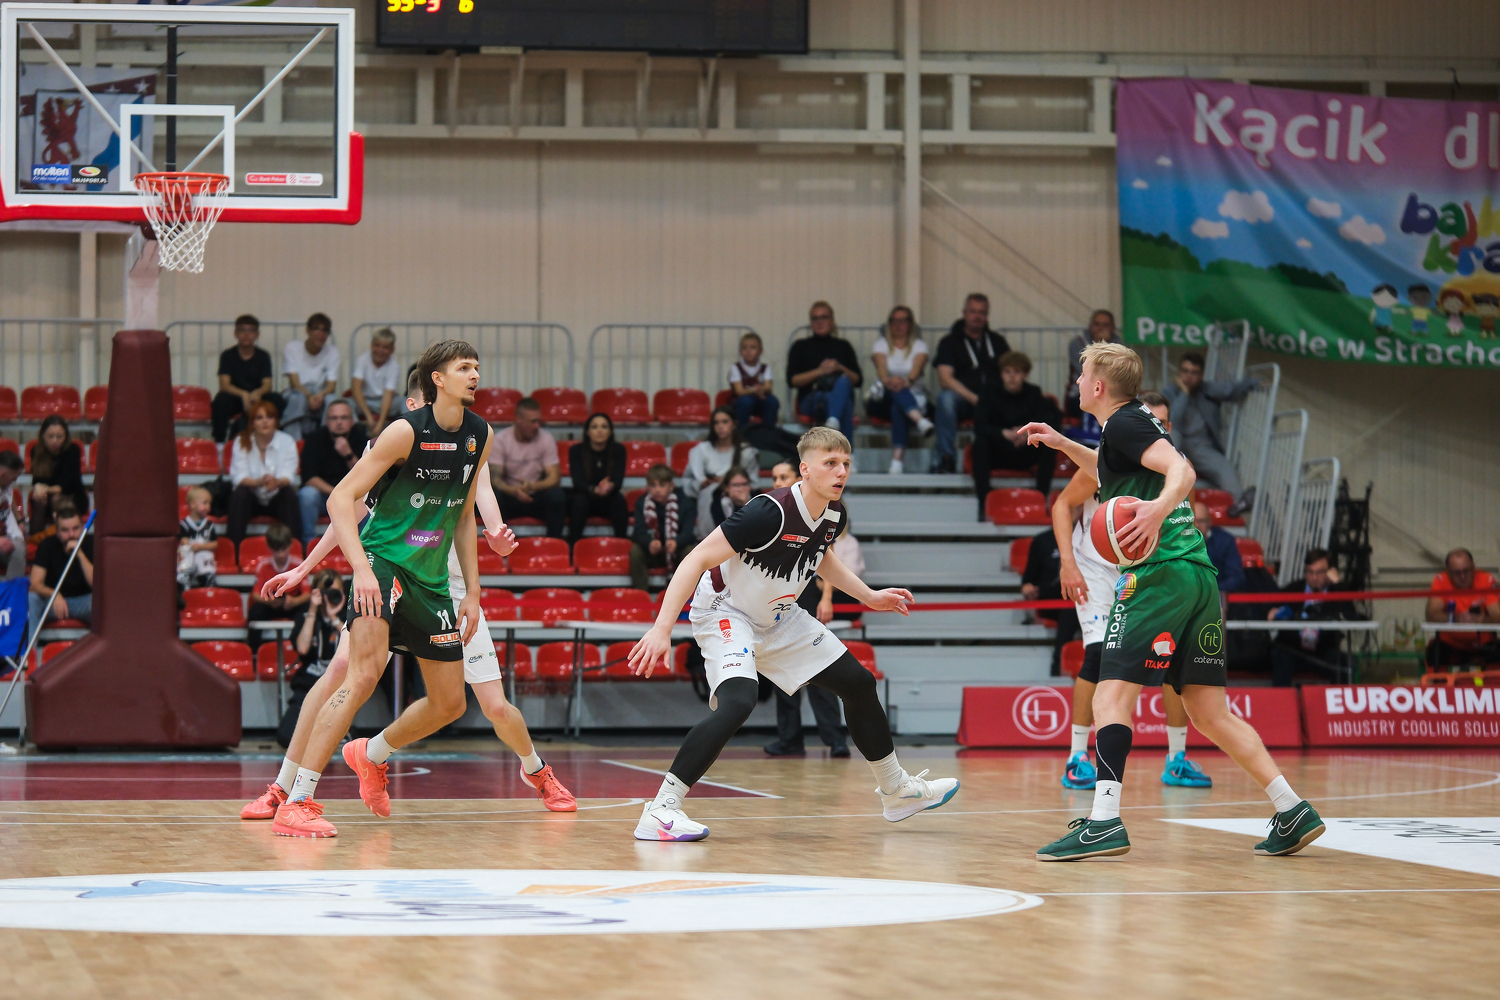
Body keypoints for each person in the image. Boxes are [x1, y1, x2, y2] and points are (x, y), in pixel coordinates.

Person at [1021, 342, 1324, 860]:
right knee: (1209, 712)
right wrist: (1063, 442)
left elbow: (1183, 471)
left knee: (1110, 699)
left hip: (1157, 576)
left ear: (1098, 386)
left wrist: (1157, 510)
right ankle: (1291, 808)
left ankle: (1103, 822)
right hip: (1196, 577)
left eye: (1082, 375)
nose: (1077, 382)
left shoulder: (1124, 423)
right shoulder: (1129, 425)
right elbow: (1111, 469)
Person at [245, 367, 574, 826]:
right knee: (343, 671)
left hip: (446, 587)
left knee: (484, 704)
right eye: (416, 408)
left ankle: (533, 771)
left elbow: (481, 511)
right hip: (392, 572)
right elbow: (350, 508)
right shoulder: (396, 441)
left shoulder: (472, 444)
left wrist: (498, 537)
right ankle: (286, 789)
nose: (421, 415)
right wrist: (305, 566)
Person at [625, 427, 958, 842]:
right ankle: (661, 809)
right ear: (805, 469)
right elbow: (696, 558)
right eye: (830, 463)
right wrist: (662, 628)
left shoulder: (834, 514)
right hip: (726, 611)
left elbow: (822, 558)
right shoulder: (768, 511)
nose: (841, 472)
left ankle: (897, 791)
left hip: (780, 617)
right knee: (739, 701)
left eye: (846, 464)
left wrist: (869, 596)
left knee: (857, 682)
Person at [268, 341, 496, 837]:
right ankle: (297, 800)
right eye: (464, 367)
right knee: (361, 675)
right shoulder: (403, 432)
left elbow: (463, 518)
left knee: (450, 704)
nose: (474, 374)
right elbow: (340, 499)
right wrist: (362, 569)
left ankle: (370, 753)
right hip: (383, 563)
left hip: (431, 581)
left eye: (477, 367)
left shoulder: (481, 435)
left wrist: (473, 592)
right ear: (437, 379)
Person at [1051, 394, 1213, 793]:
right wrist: (1068, 562)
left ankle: (1176, 758)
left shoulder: (1173, 470)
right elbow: (1063, 504)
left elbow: (1188, 522)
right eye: (1149, 419)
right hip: (1095, 568)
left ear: (1166, 429)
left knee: (1170, 657)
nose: (1154, 427)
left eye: (1162, 422)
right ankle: (1077, 757)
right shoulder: (1113, 459)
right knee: (1096, 656)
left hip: (1143, 571)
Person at [761, 460, 852, 758]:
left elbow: (828, 556)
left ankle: (835, 739)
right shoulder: (770, 511)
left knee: (818, 667)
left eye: (783, 476)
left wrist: (827, 597)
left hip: (807, 592)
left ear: (800, 475)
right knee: (781, 665)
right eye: (774, 477)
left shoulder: (816, 509)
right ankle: (790, 739)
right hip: (776, 594)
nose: (778, 482)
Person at [1160, 352, 1261, 517]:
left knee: (1226, 470)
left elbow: (1231, 390)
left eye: (1194, 373)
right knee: (1173, 434)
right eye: (1185, 371)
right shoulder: (1169, 392)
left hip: (1201, 447)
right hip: (1177, 446)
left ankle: (1239, 505)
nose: (1188, 376)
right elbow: (1173, 419)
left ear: (1201, 376)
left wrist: (1252, 383)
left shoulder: (1207, 390)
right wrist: (1185, 393)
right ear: (1178, 372)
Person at [971, 351, 1060, 520]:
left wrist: (1027, 432)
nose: (1012, 377)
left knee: (1048, 445)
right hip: (1000, 450)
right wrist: (1003, 433)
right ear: (1001, 374)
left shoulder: (1034, 393)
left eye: (1017, 372)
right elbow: (980, 426)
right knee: (979, 444)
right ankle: (984, 502)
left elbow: (1048, 422)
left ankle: (1041, 497)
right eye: (1007, 372)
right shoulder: (988, 393)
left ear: (1025, 374)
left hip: (1025, 450)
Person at [931, 292, 1010, 473]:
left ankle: (1006, 458)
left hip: (993, 400)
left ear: (987, 315)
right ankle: (946, 458)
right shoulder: (949, 342)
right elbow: (945, 379)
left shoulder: (998, 342)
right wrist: (974, 399)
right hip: (964, 400)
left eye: (982, 312)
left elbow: (1012, 372)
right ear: (964, 313)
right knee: (945, 399)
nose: (977, 316)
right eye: (973, 311)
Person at [1267, 548, 1360, 687]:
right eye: (1310, 572)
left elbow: (1351, 617)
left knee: (1347, 663)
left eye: (1320, 572)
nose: (1314, 577)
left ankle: (1336, 700)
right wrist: (1272, 612)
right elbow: (1272, 609)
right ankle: (1281, 701)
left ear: (1330, 572)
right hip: (1294, 649)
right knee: (1281, 657)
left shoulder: (1337, 592)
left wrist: (1339, 584)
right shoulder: (1294, 589)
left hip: (1324, 649)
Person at [278, 568, 348, 748]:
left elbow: (354, 645)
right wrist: (312, 609)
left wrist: (334, 618)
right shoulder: (306, 615)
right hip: (308, 686)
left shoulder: (346, 617)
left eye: (336, 592)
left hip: (337, 689)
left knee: (343, 739)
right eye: (327, 592)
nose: (330, 596)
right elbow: (302, 648)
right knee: (286, 737)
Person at [866, 305, 934, 475]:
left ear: (910, 324)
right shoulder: (881, 344)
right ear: (889, 324)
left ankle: (897, 463)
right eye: (894, 321)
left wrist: (906, 381)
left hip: (913, 396)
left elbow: (916, 370)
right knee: (897, 396)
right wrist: (890, 381)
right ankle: (920, 421)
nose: (898, 325)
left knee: (899, 408)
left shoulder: (919, 346)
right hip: (883, 397)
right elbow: (882, 370)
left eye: (903, 321)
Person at [226, 400, 302, 549]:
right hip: (252, 495)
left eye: (270, 417)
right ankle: (234, 549)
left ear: (276, 421)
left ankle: (295, 549)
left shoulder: (287, 442)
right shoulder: (241, 441)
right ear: (252, 423)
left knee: (289, 495)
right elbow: (238, 476)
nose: (265, 422)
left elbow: (289, 475)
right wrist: (259, 482)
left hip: (276, 495)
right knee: (239, 495)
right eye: (259, 418)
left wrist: (277, 482)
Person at [489, 397, 566, 539]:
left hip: (536, 495)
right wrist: (514, 490)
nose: (537, 426)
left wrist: (532, 486)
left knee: (557, 496)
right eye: (533, 422)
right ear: (518, 419)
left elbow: (554, 478)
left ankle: (554, 544)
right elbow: (494, 479)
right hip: (510, 495)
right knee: (493, 497)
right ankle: (499, 546)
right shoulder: (500, 440)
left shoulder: (546, 439)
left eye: (539, 421)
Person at [296, 399, 368, 550]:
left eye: (344, 418)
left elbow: (367, 476)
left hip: (352, 499)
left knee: (368, 500)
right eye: (334, 418)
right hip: (324, 496)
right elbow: (309, 478)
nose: (339, 422)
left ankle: (363, 548)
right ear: (327, 421)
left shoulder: (362, 439)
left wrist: (348, 454)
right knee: (307, 495)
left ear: (352, 421)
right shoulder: (314, 439)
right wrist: (336, 493)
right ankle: (308, 544)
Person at [786, 301, 862, 434]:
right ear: (811, 323)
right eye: (815, 318)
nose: (819, 322)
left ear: (832, 321)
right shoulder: (800, 346)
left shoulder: (844, 346)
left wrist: (839, 368)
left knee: (844, 383)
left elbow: (858, 380)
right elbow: (792, 380)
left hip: (839, 394)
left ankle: (833, 421)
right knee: (844, 404)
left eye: (824, 317)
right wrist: (820, 371)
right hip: (812, 398)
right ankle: (840, 436)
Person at [686, 407, 758, 540]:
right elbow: (687, 482)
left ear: (734, 424)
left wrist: (731, 485)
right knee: (710, 493)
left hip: (738, 497)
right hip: (706, 496)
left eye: (725, 421)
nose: (720, 426)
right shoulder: (701, 451)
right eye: (716, 422)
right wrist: (701, 484)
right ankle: (706, 540)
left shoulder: (746, 452)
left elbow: (753, 483)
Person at [1424, 548, 1500, 669]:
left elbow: (1497, 615)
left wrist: (1483, 620)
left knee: (1497, 653)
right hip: (1450, 643)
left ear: (1473, 567)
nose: (1463, 576)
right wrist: (1456, 618)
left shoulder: (1486, 579)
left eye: (1466, 571)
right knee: (1435, 653)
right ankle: (1438, 681)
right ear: (1448, 572)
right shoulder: (1441, 581)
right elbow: (1431, 615)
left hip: (1483, 642)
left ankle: (1494, 681)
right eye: (1457, 573)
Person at [211, 315, 283, 443]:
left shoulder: (263, 356)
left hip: (257, 396)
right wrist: (243, 394)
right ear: (235, 333)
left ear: (257, 334)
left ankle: (275, 439)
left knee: (277, 400)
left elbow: (267, 384)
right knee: (220, 401)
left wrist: (258, 393)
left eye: (251, 330)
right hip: (235, 397)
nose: (246, 334)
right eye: (242, 330)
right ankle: (220, 442)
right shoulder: (227, 355)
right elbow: (224, 385)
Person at [630, 465, 697, 591]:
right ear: (647, 487)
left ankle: (686, 593)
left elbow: (688, 533)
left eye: (662, 485)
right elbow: (638, 531)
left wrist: (676, 542)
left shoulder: (686, 503)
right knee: (636, 551)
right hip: (653, 552)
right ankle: (640, 594)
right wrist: (649, 543)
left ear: (671, 486)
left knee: (689, 551)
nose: (657, 490)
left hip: (676, 550)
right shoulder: (641, 502)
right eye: (653, 485)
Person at [567, 413, 630, 546]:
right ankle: (573, 548)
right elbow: (577, 482)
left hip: (608, 496)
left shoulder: (619, 450)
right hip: (585, 495)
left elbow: (618, 481)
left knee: (619, 501)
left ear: (610, 431)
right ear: (587, 432)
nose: (599, 431)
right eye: (594, 427)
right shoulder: (576, 450)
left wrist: (610, 486)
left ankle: (622, 546)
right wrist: (594, 489)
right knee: (579, 502)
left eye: (604, 427)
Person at [28, 501, 92, 627]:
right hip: (53, 604)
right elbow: (34, 584)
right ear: (56, 532)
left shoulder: (91, 543)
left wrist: (79, 553)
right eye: (65, 530)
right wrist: (54, 594)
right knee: (32, 598)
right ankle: (30, 641)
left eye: (76, 528)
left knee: (103, 602)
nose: (71, 534)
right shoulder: (47, 545)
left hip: (84, 602)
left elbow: (96, 584)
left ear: (83, 527)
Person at [279, 313, 342, 440]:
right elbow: (294, 382)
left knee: (332, 401)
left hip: (320, 392)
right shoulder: (292, 348)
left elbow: (331, 386)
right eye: (316, 329)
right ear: (308, 330)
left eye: (325, 330)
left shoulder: (333, 352)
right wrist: (309, 396)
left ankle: (326, 439)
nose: (321, 334)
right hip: (298, 391)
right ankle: (294, 442)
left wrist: (320, 396)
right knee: (298, 400)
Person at [26, 415, 89, 535]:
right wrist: (38, 489)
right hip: (48, 497)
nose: (55, 440)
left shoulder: (73, 450)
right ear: (43, 435)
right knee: (39, 499)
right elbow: (37, 479)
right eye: (50, 436)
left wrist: (45, 489)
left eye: (59, 436)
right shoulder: (36, 450)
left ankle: (65, 537)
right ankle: (35, 539)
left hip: (73, 496)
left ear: (65, 437)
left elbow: (68, 483)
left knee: (57, 499)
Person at [246, 522, 310, 639]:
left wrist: (295, 601)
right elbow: (255, 594)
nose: (280, 554)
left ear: (290, 545)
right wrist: (269, 602)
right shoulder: (263, 566)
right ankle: (254, 648)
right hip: (271, 605)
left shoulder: (299, 565)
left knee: (308, 608)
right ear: (269, 547)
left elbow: (307, 594)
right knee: (255, 612)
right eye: (276, 550)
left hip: (292, 604)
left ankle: (304, 646)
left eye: (284, 549)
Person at [1064, 310, 1122, 417]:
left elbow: (1121, 371)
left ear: (1113, 328)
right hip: (1079, 394)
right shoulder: (1077, 343)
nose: (1101, 328)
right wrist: (1100, 345)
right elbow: (1089, 372)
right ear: (1090, 326)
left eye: (1105, 325)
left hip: (1113, 393)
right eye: (1097, 324)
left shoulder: (1121, 345)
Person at [350, 327, 400, 434]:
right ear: (371, 345)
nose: (380, 351)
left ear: (392, 350)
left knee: (405, 403)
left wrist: (380, 424)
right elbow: (356, 388)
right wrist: (368, 416)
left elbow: (388, 395)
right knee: (346, 404)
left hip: (384, 401)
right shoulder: (362, 359)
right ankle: (355, 434)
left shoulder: (394, 366)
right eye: (377, 345)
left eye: (385, 347)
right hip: (365, 400)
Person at [728, 331, 780, 429]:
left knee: (772, 402)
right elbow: (739, 391)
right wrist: (754, 390)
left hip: (760, 401)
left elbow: (768, 387)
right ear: (740, 351)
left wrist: (761, 390)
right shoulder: (735, 368)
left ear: (760, 351)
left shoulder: (765, 368)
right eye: (744, 348)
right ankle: (741, 433)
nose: (748, 351)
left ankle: (769, 432)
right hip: (741, 402)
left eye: (752, 348)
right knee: (746, 402)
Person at [1193, 500, 1245, 595]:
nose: (1196, 525)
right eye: (1193, 521)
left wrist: (1212, 590)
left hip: (1216, 594)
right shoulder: (1179, 542)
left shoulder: (1225, 541)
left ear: (1209, 522)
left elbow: (1235, 576)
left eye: (1201, 521)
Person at [177, 485, 219, 590]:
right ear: (192, 505)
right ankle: (184, 585)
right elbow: (183, 541)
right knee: (184, 559)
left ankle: (208, 584)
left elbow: (214, 543)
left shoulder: (209, 525)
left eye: (209, 503)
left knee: (207, 565)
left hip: (203, 554)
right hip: (189, 555)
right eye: (205, 503)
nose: (208, 506)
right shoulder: (184, 524)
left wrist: (201, 547)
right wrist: (188, 545)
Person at [0, 451, 25, 580]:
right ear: (3, 473)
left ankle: (12, 589)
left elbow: (10, 500)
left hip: (5, 536)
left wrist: (20, 520)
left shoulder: (5, 485)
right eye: (14, 477)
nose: (15, 480)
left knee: (18, 549)